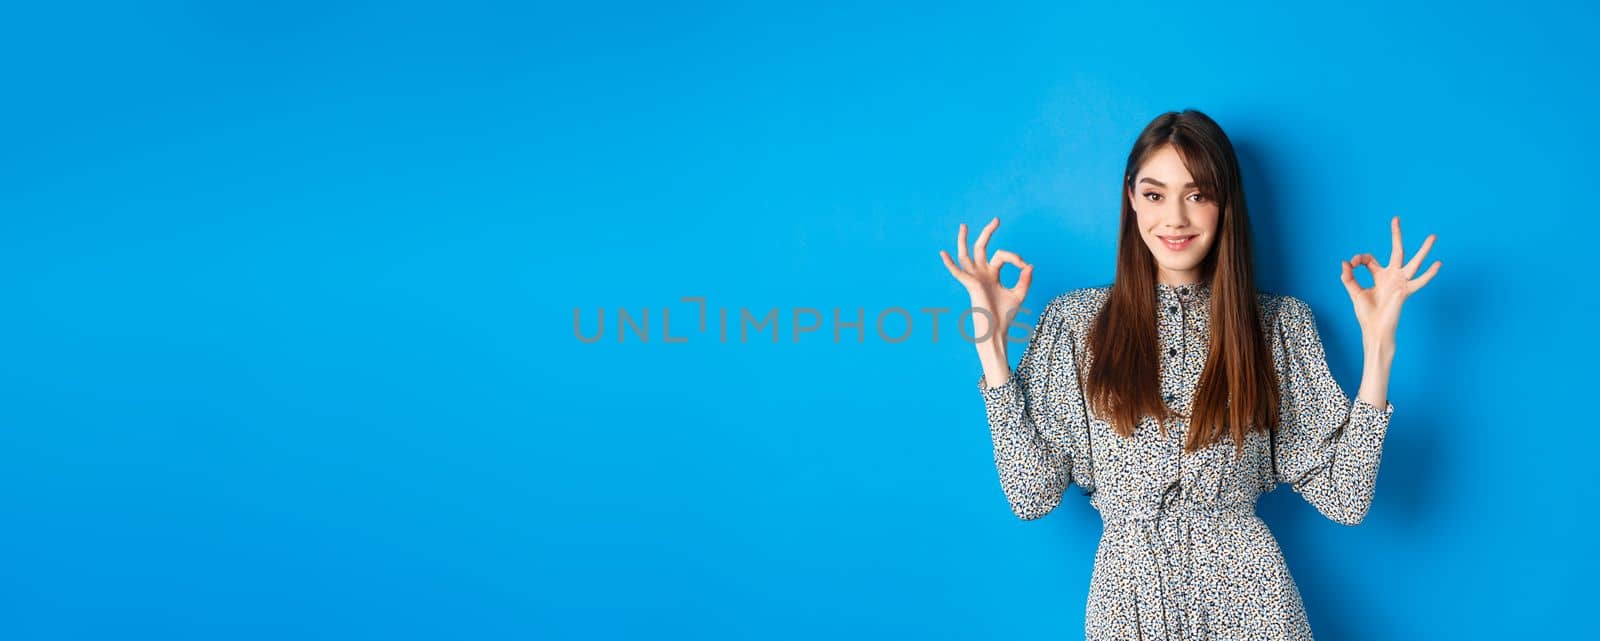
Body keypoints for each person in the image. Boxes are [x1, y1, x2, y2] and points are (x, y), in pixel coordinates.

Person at [938, 109, 1440, 640]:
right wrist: (991, 348)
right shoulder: (1077, 323)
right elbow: (1030, 495)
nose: (1175, 218)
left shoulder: (1277, 326)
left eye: (1198, 194)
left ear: (1225, 204)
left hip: (1254, 605)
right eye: (1155, 195)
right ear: (1131, 198)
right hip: (1127, 604)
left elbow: (1346, 497)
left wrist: (1379, 345)